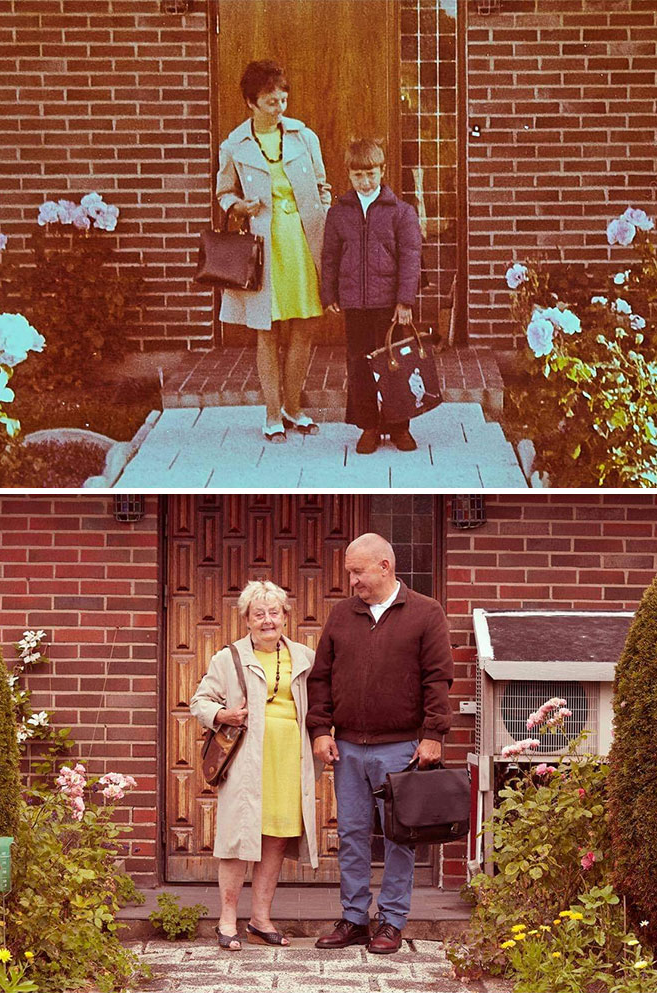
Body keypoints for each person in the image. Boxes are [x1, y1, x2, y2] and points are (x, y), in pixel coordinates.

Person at [306, 533, 453, 954]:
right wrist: (320, 730)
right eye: (350, 572)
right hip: (348, 747)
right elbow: (321, 678)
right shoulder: (340, 615)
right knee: (351, 834)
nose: (352, 580)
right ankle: (353, 919)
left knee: (399, 837)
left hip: (402, 748)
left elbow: (437, 678)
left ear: (385, 566)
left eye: (358, 571)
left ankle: (390, 922)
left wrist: (433, 735)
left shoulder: (426, 613)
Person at [190, 579, 319, 951]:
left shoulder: (303, 657)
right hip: (246, 760)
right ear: (246, 619)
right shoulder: (228, 657)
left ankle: (260, 920)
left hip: (289, 758)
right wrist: (223, 714)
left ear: (285, 616)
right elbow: (199, 702)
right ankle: (227, 920)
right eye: (258, 614)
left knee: (275, 838)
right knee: (236, 840)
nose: (267, 620)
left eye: (274, 612)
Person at [216, 60, 331, 443]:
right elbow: (222, 192)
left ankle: (293, 407)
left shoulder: (304, 137)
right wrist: (237, 207)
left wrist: (324, 218)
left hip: (302, 241)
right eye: (270, 101)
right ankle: (271, 415)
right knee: (267, 331)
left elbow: (321, 185)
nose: (279, 107)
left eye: (282, 98)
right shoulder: (234, 145)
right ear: (251, 102)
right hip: (265, 246)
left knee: (305, 327)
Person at [320, 139, 423, 455]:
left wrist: (405, 301)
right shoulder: (338, 214)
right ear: (348, 175)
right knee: (360, 366)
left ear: (382, 171)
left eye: (371, 174)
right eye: (357, 176)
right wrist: (330, 293)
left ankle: (399, 427)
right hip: (355, 304)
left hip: (390, 307)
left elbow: (410, 257)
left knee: (395, 366)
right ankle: (369, 427)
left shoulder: (401, 212)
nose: (365, 182)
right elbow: (330, 257)